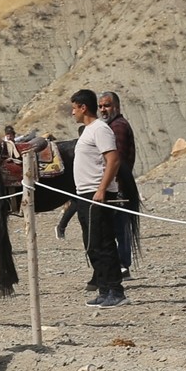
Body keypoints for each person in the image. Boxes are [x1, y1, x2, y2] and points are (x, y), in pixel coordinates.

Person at [70, 89, 127, 308]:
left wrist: (102, 189)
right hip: (85, 194)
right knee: (92, 244)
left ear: (83, 107)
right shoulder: (88, 130)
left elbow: (113, 160)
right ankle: (104, 289)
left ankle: (116, 291)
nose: (72, 113)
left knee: (103, 242)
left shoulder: (100, 129)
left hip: (96, 193)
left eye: (74, 108)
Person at [99, 91, 137, 279]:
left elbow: (117, 161)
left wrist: (109, 185)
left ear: (116, 106)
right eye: (100, 106)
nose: (102, 110)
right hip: (116, 184)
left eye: (106, 105)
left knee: (119, 228)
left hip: (118, 186)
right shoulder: (111, 126)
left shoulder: (118, 127)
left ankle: (123, 265)